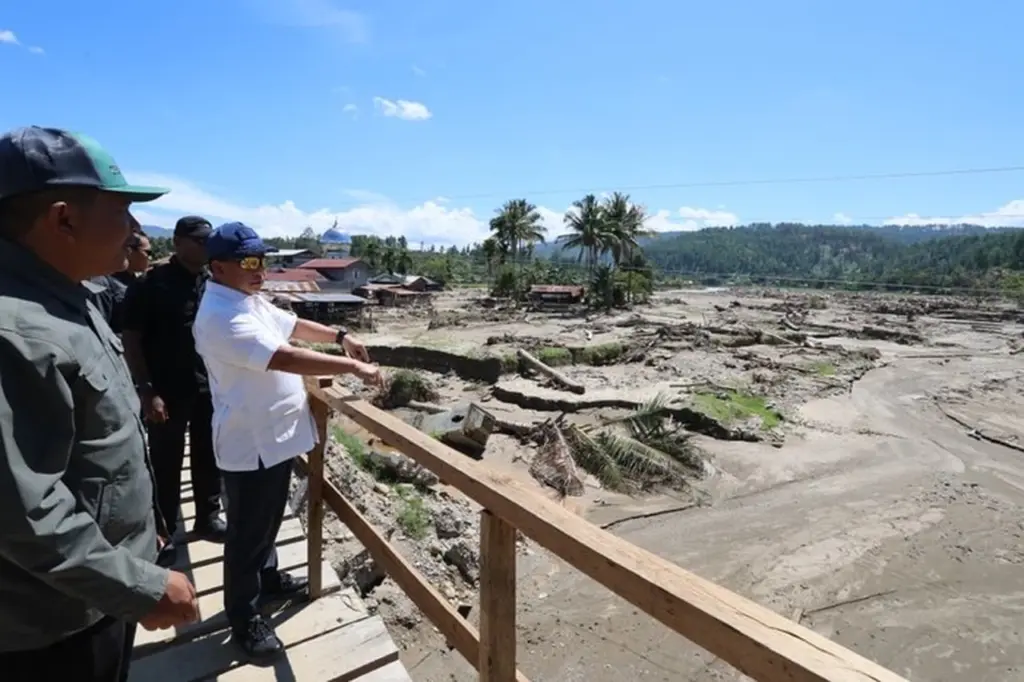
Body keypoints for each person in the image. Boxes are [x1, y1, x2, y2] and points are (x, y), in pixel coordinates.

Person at [0, 125, 199, 682]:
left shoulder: (68, 296)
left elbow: (96, 443)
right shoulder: (15, 331)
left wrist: (141, 526)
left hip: (94, 588)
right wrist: (139, 586)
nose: (136, 229)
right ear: (64, 219)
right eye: (122, 211)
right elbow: (22, 513)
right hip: (52, 623)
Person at [193, 222, 382, 660]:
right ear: (218, 267)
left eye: (262, 260)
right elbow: (283, 356)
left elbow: (292, 325)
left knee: (269, 521)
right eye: (248, 261)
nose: (259, 269)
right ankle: (243, 616)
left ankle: (268, 579)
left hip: (274, 437)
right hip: (251, 441)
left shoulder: (247, 299)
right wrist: (352, 367)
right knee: (247, 535)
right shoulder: (221, 316)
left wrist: (341, 337)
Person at [122, 215, 226, 560]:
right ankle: (164, 532)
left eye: (209, 241)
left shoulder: (214, 282)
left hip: (209, 387)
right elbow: (131, 338)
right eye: (199, 241)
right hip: (166, 390)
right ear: (178, 242)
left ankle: (208, 519)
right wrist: (146, 389)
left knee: (209, 455)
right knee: (165, 463)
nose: (205, 247)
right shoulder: (152, 284)